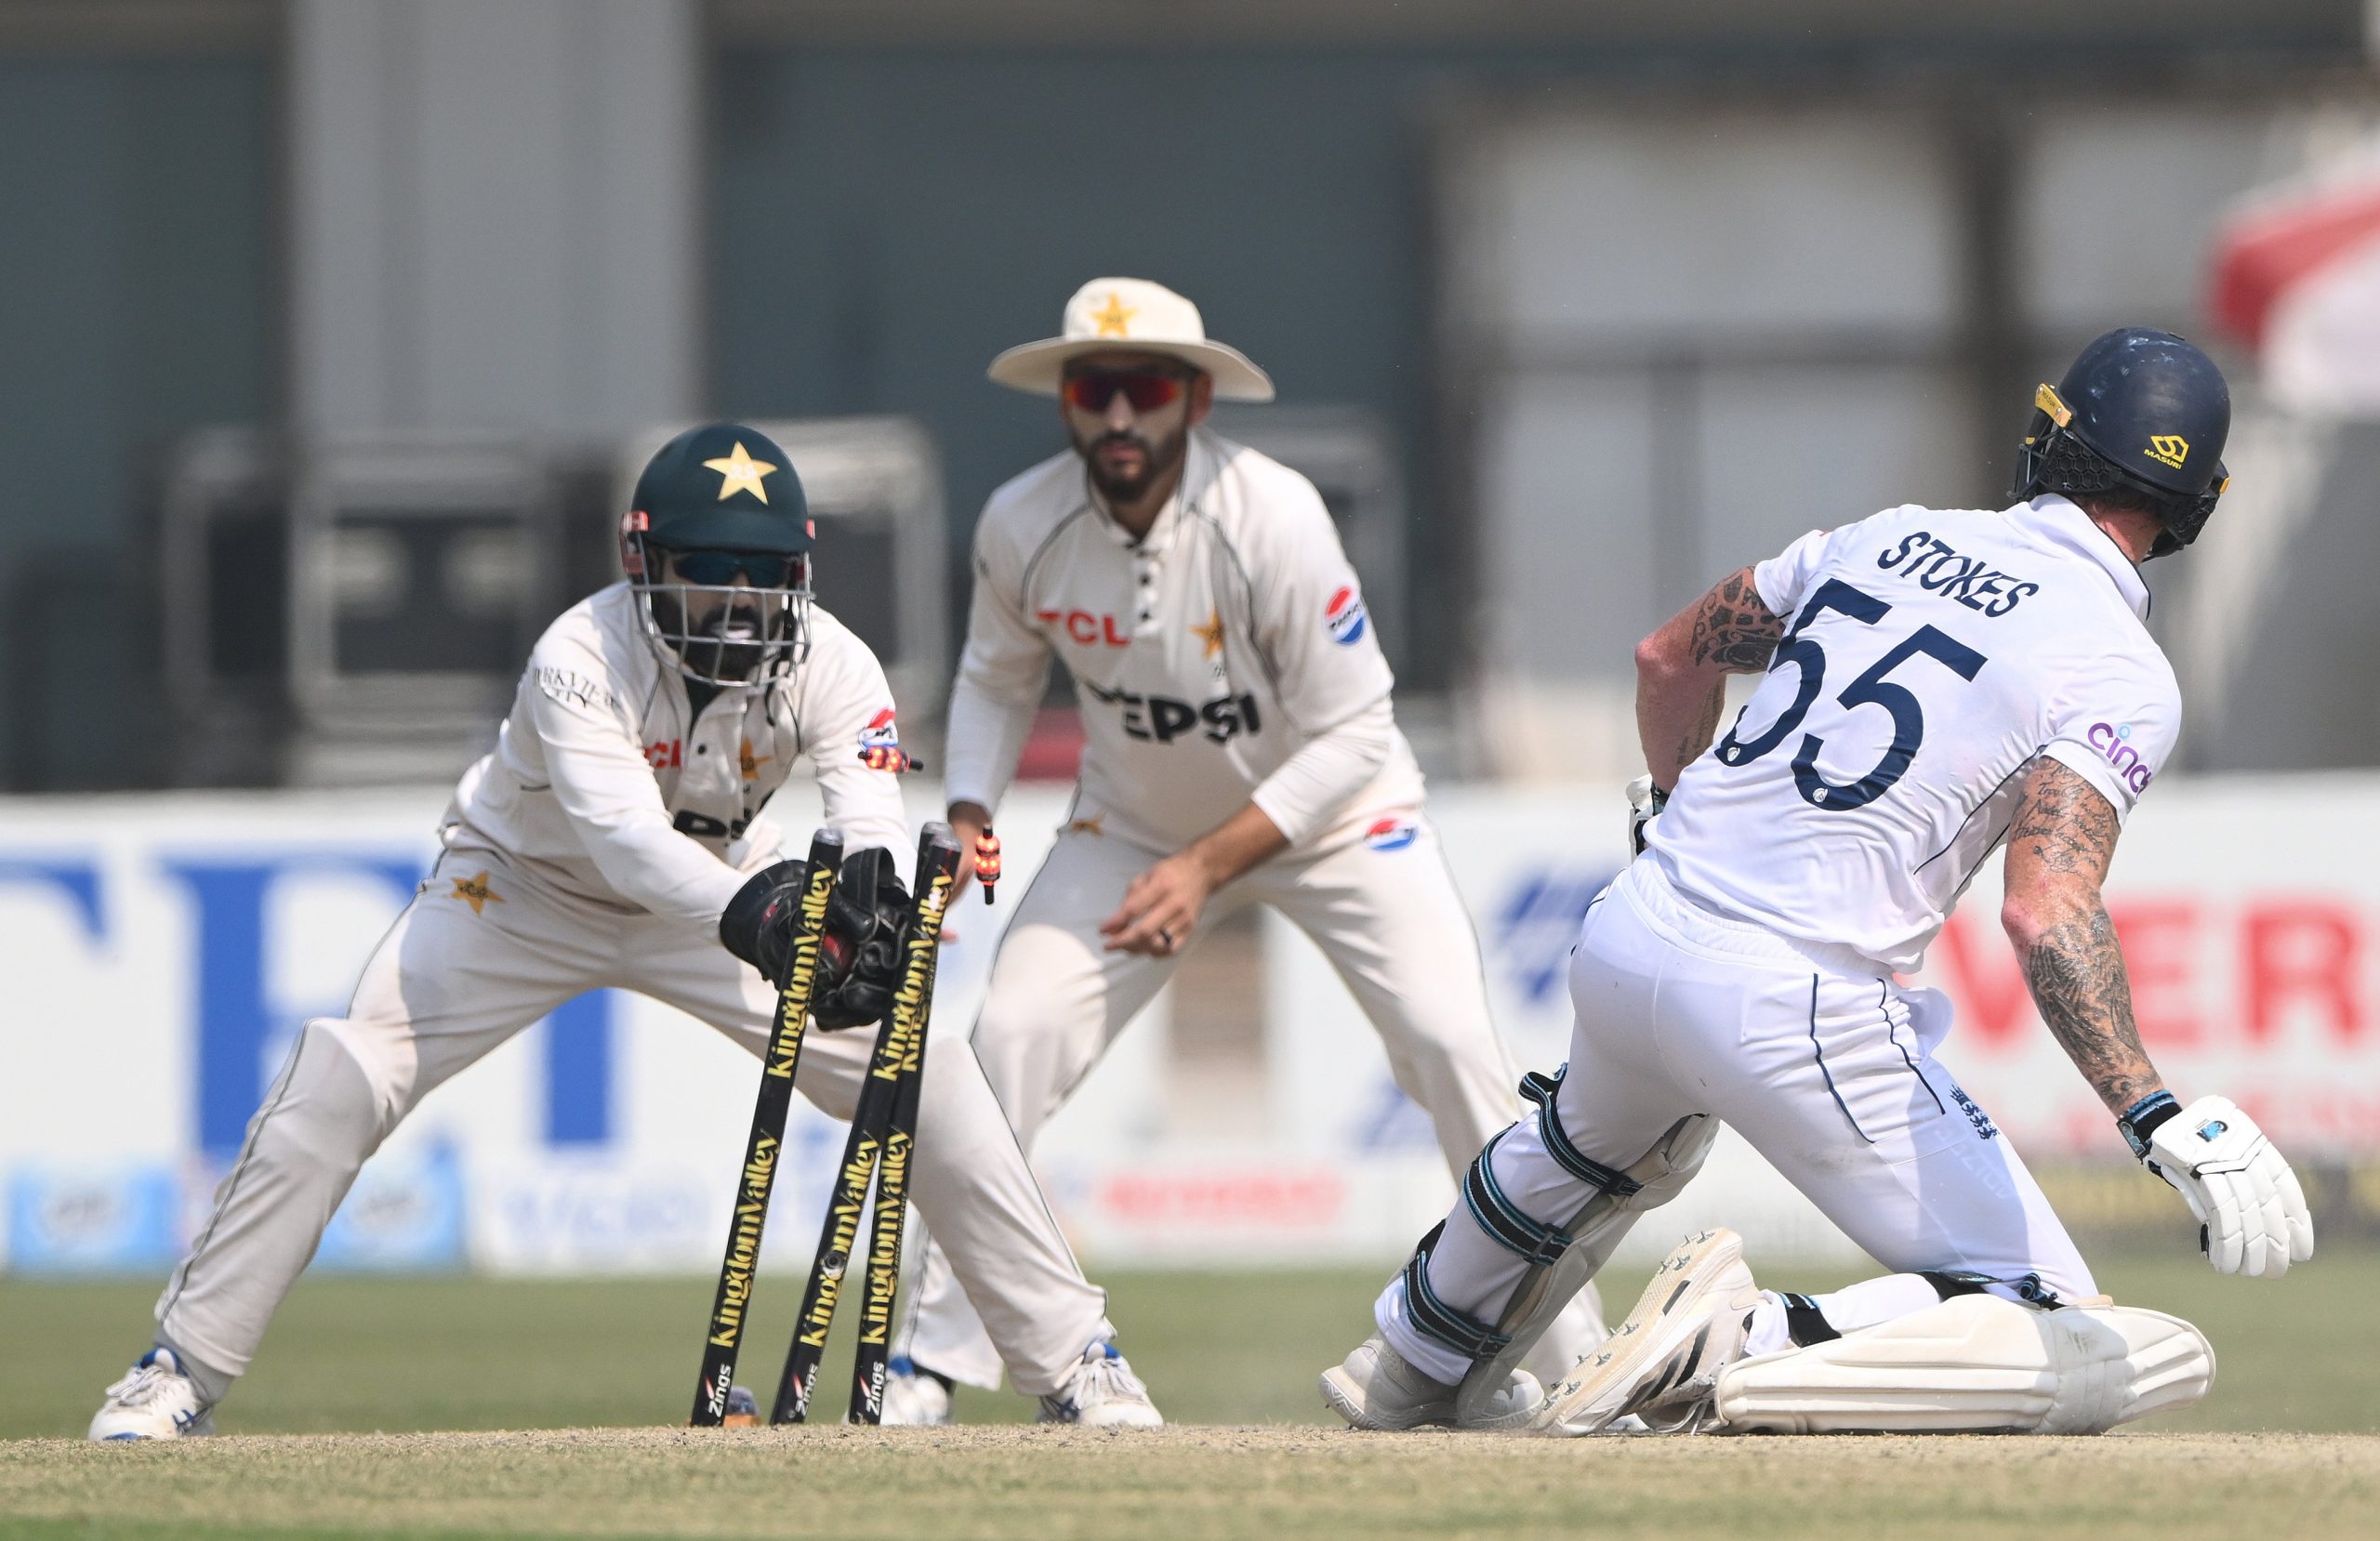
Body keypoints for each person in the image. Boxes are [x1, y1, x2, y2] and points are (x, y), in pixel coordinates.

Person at [1322, 328, 2314, 1437]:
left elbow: (1666, 657)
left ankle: (1405, 1363)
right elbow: (2045, 909)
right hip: (1794, 993)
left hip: (1635, 922)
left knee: (1581, 1148)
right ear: (2196, 504)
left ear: (2050, 438)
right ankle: (1737, 1339)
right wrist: (2152, 1108)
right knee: (2055, 1318)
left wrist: (1670, 816)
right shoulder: (2122, 668)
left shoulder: (1891, 535)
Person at [87, 424, 1157, 1440]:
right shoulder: (577, 656)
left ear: (802, 568)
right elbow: (624, 843)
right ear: (642, 557)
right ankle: (175, 1368)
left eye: (762, 569)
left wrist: (866, 907)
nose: (736, 599)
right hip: (518, 890)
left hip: (725, 883)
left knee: (923, 1068)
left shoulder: (838, 661)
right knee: (345, 1070)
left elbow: (865, 816)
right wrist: (769, 913)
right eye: (706, 564)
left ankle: (1077, 1363)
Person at [879, 277, 1604, 1426]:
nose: (1119, 417)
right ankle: (924, 1364)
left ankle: (1577, 1361)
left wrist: (1208, 865)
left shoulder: (1270, 513)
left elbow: (1358, 725)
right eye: (1095, 389)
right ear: (1067, 400)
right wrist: (969, 802)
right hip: (1131, 824)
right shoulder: (1022, 521)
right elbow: (994, 675)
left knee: (1449, 1041)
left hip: (1341, 821)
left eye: (1146, 388)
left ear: (1195, 398)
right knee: (1006, 1040)